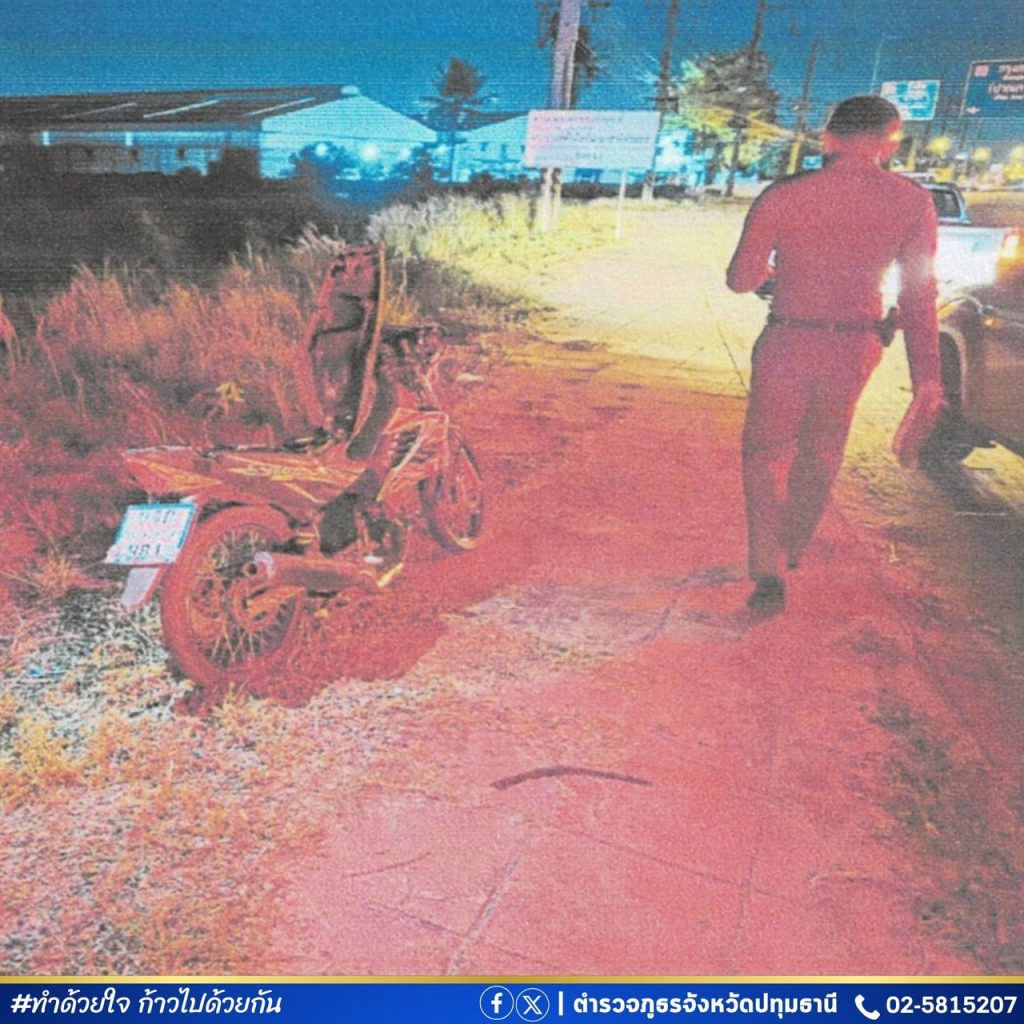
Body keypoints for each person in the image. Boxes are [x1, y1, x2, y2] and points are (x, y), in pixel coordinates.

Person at [726, 95, 944, 617]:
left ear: (828, 137)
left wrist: (775, 276)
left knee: (764, 453)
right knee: (822, 451)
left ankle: (768, 567)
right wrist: (928, 377)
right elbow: (919, 295)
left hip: (789, 338)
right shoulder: (912, 202)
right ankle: (793, 545)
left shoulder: (785, 195)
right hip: (854, 345)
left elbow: (740, 279)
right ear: (889, 142)